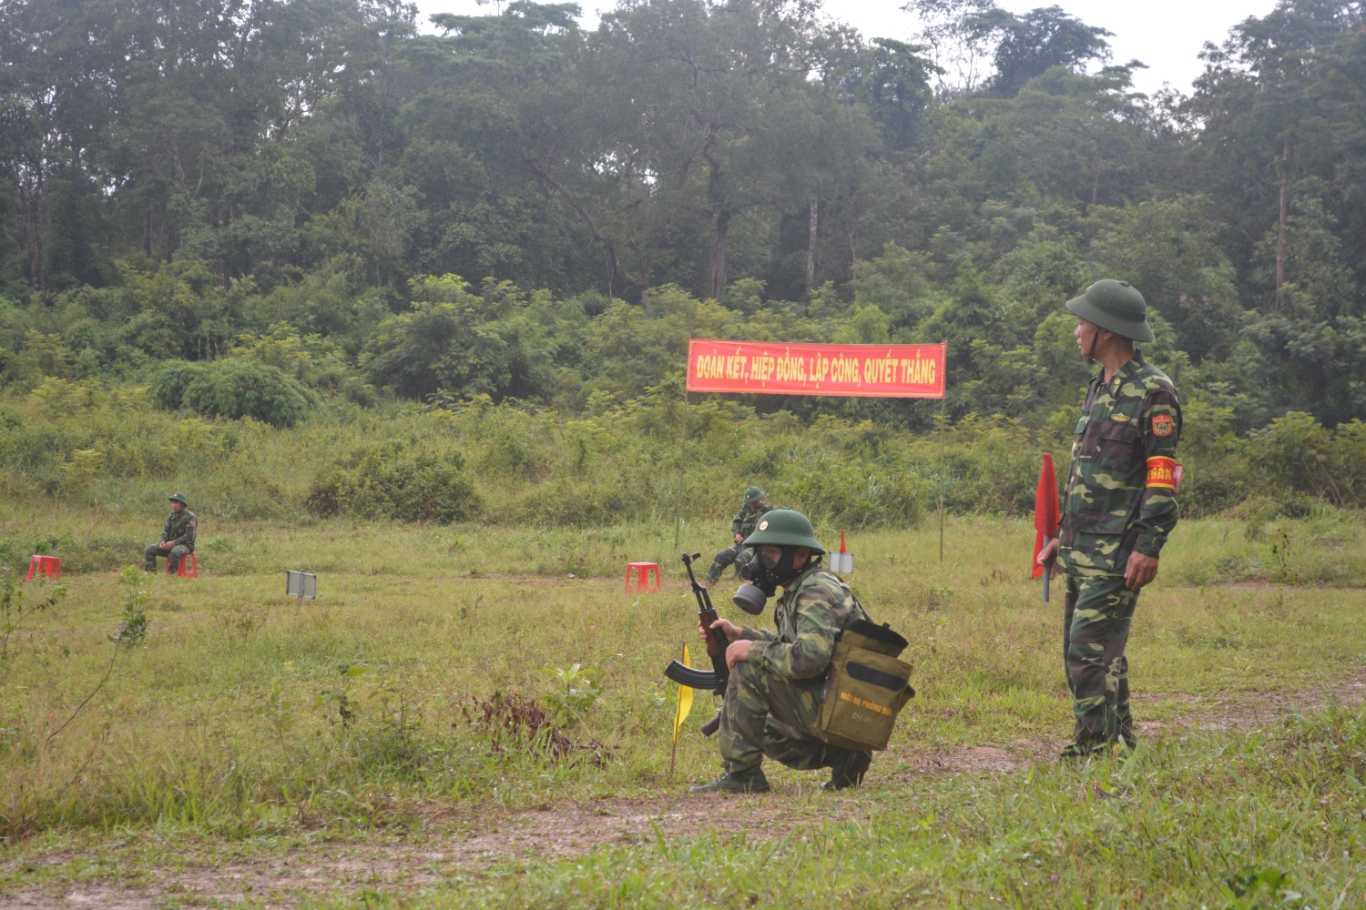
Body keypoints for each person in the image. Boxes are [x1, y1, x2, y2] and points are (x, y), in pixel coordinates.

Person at [1037, 279, 1181, 760]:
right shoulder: (1099, 386)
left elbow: (1162, 477)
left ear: (1106, 331)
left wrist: (1149, 545)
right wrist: (1062, 539)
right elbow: (1086, 477)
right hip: (1083, 548)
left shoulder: (1154, 393)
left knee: (1086, 651)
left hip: (1120, 551)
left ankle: (1092, 750)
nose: (1076, 331)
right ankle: (1120, 739)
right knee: (1095, 652)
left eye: (1082, 322)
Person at [690, 509, 874, 794]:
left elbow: (808, 659)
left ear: (801, 555)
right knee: (754, 724)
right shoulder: (800, 588)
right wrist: (740, 635)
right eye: (759, 553)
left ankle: (743, 774)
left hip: (846, 706)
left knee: (749, 668)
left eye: (771, 553)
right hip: (839, 701)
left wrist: (752, 651)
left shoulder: (815, 592)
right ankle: (844, 756)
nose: (759, 563)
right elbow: (791, 646)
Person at [704, 486, 772, 587]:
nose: (751, 505)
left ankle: (738, 585)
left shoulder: (768, 511)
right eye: (749, 502)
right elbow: (737, 522)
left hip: (756, 547)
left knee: (741, 559)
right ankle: (709, 584)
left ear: (758, 499)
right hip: (742, 545)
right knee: (720, 556)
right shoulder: (746, 508)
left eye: (753, 502)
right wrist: (737, 534)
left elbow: (771, 532)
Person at [144, 493, 198, 574]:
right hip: (169, 544)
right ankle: (150, 574)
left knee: (175, 552)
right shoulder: (171, 516)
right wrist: (162, 541)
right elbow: (165, 531)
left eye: (176, 503)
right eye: (172, 503)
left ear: (182, 504)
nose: (173, 505)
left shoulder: (190, 517)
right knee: (149, 549)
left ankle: (171, 576)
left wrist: (174, 543)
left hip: (186, 545)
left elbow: (189, 536)